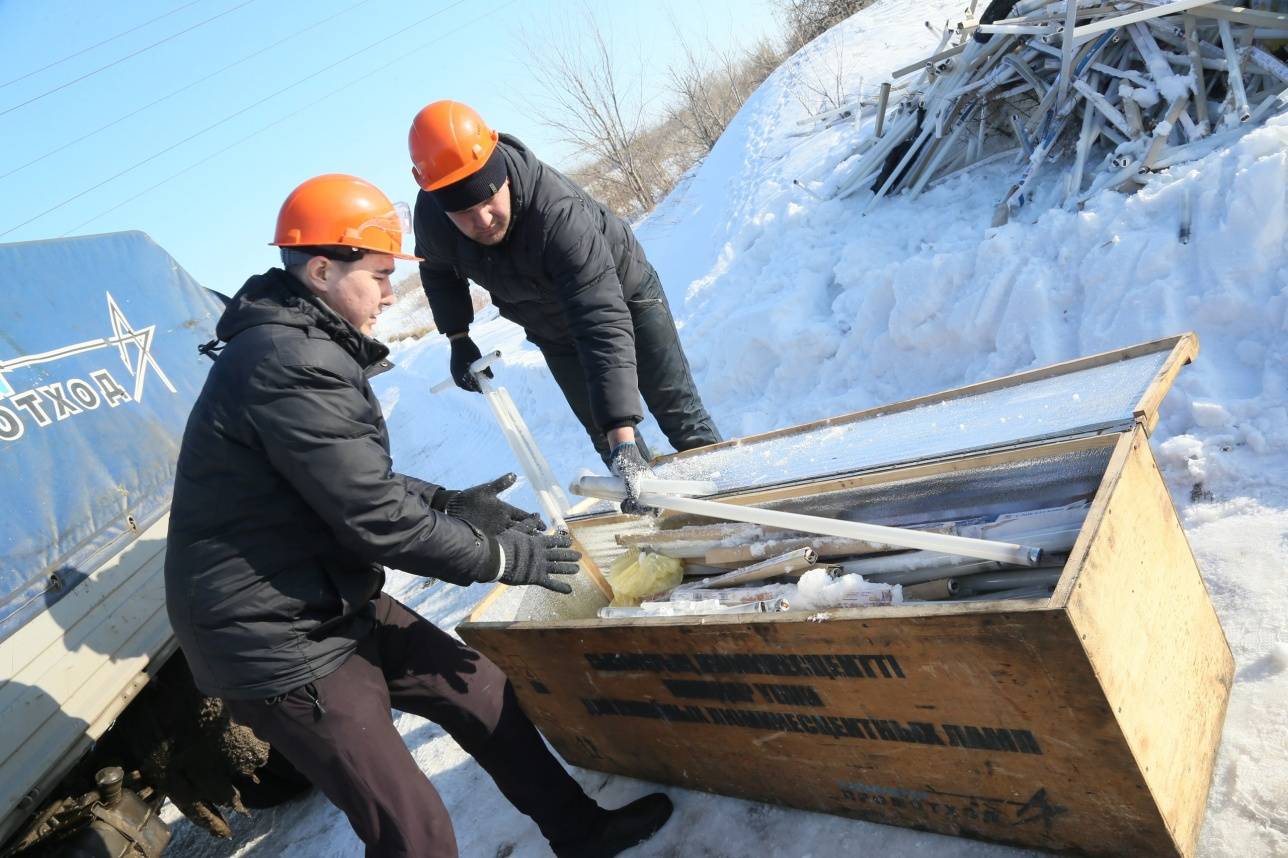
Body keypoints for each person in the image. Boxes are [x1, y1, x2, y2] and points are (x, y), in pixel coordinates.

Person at [164, 173, 673, 857]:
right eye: (377, 275)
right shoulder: (286, 361)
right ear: (321, 270)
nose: (389, 291)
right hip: (275, 641)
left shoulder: (302, 343)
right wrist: (502, 558)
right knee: (416, 833)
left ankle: (580, 833)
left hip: (324, 596)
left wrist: (450, 503)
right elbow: (376, 520)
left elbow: (347, 479)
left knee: (480, 691)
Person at [407, 100, 721, 510]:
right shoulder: (433, 220)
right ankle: (667, 519)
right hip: (550, 328)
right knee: (608, 443)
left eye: (488, 200)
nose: (482, 219)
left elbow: (601, 319)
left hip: (624, 298)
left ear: (501, 174)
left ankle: (737, 504)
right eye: (464, 213)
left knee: (678, 415)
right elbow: (437, 271)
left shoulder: (555, 214)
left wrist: (620, 430)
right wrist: (457, 336)